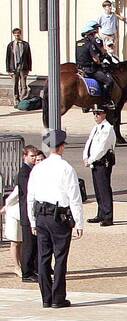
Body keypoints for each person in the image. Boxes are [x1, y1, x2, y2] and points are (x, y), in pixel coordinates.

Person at [25, 130, 84, 310]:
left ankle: (46, 297)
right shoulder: (66, 168)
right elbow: (74, 197)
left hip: (41, 215)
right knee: (60, 258)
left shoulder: (38, 167)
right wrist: (79, 222)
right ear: (62, 147)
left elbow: (30, 196)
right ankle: (58, 298)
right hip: (58, 216)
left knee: (43, 257)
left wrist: (33, 221)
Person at [82, 105, 116, 227]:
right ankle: (101, 213)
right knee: (98, 188)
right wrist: (85, 156)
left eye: (98, 113)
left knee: (104, 189)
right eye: (94, 114)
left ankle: (108, 216)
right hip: (94, 162)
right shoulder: (96, 128)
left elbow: (102, 148)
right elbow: (89, 143)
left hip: (103, 161)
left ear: (104, 114)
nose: (96, 116)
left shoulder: (107, 129)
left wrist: (90, 159)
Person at [14, 144, 41, 282]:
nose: (34, 158)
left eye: (35, 156)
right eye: (31, 156)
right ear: (25, 156)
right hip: (26, 212)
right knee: (29, 244)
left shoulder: (33, 170)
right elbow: (28, 190)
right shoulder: (24, 172)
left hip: (33, 212)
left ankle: (34, 268)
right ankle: (27, 272)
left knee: (35, 243)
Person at [76, 23, 115, 107]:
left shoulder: (77, 43)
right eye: (93, 34)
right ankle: (106, 102)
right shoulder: (90, 44)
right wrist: (100, 62)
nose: (94, 35)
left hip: (79, 69)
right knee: (109, 81)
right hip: (90, 70)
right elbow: (95, 59)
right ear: (89, 34)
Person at [6, 27, 32, 105]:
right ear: (13, 35)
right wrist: (8, 70)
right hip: (14, 68)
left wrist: (29, 68)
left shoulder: (25, 44)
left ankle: (22, 98)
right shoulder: (10, 45)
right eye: (16, 34)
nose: (17, 36)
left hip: (23, 67)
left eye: (18, 34)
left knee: (23, 85)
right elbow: (8, 58)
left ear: (20, 34)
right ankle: (16, 99)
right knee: (15, 85)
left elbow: (29, 57)